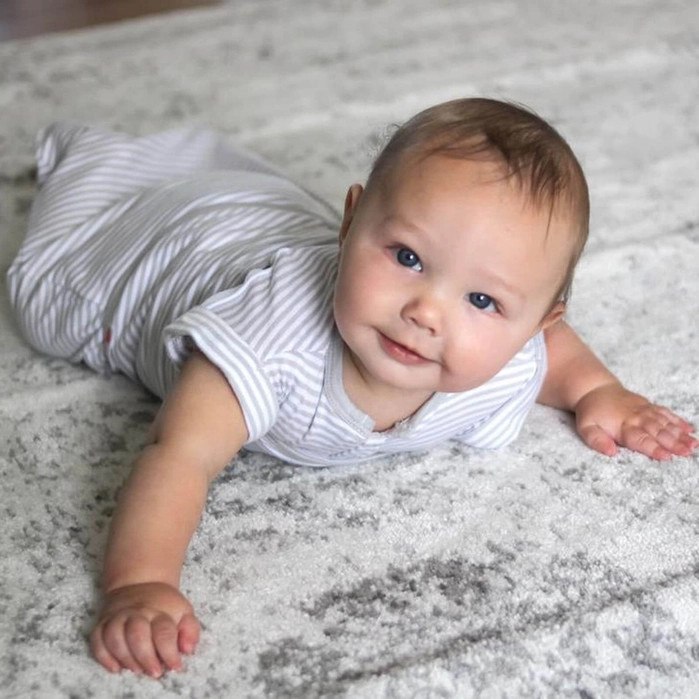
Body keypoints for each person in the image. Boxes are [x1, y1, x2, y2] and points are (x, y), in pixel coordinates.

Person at [6, 98, 696, 677]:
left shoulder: (513, 353)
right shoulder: (268, 342)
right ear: (351, 223)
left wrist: (599, 391)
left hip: (260, 221)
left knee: (258, 205)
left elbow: (550, 351)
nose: (425, 312)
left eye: (482, 300)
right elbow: (178, 455)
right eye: (407, 257)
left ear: (533, 323)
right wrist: (140, 582)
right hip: (158, 253)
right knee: (45, 303)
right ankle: (106, 171)